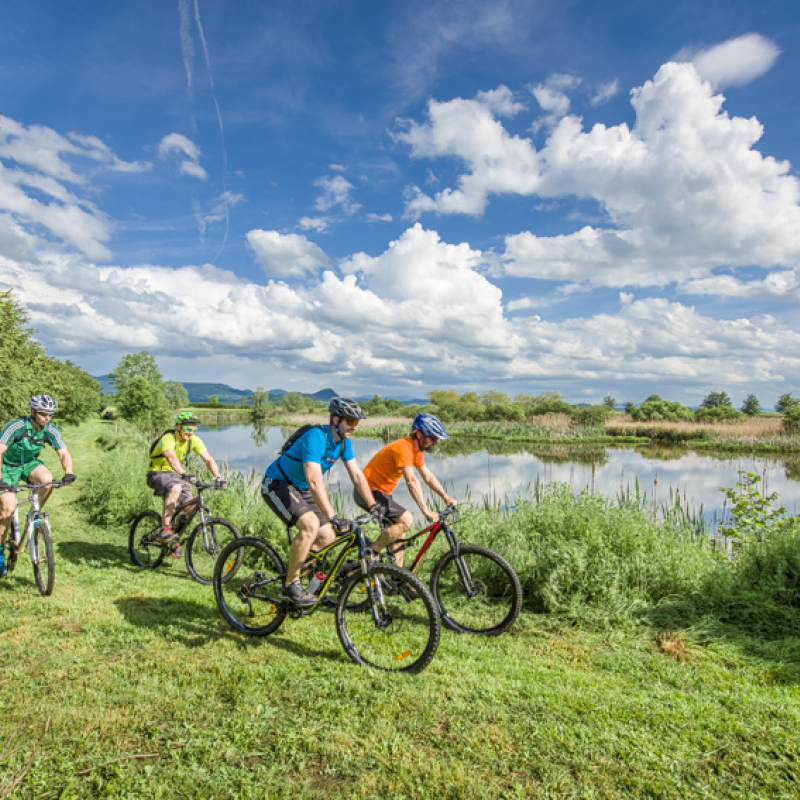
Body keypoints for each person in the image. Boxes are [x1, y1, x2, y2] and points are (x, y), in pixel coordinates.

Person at [261, 397, 381, 607]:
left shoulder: (344, 443)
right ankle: (290, 585)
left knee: (327, 536)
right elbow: (314, 480)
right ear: (336, 420)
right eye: (350, 422)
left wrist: (373, 505)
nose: (354, 426)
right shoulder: (316, 437)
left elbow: (357, 475)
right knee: (310, 525)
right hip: (278, 483)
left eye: (357, 422)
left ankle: (306, 585)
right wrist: (333, 516)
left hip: (302, 489)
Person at [354, 413, 457, 567]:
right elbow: (411, 480)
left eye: (436, 439)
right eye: (432, 438)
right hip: (367, 491)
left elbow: (427, 477)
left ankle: (398, 576)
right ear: (419, 434)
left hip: (380, 493)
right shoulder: (403, 447)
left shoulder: (417, 452)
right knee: (406, 519)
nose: (435, 442)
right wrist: (426, 511)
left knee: (399, 534)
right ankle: (371, 553)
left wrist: (446, 497)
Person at [0, 395, 76, 578]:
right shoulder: (15, 427)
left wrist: (68, 472)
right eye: (43, 414)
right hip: (7, 466)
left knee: (47, 481)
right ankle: (0, 552)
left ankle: (33, 513)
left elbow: (63, 452)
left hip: (29, 464)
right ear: (32, 412)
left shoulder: (50, 430)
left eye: (50, 414)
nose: (47, 418)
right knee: (8, 507)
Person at [146, 411, 224, 557]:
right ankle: (165, 528)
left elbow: (208, 459)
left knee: (190, 507)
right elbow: (170, 456)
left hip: (176, 476)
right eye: (188, 429)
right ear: (178, 427)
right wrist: (183, 474)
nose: (191, 433)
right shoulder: (168, 438)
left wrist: (218, 476)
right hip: (157, 474)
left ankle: (175, 540)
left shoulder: (194, 440)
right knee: (176, 488)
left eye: (194, 429)